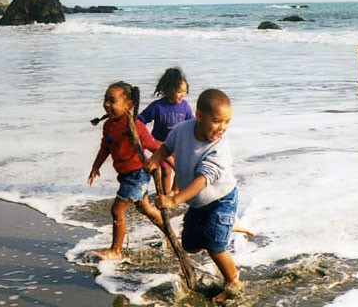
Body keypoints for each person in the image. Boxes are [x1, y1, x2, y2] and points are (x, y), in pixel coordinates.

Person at [144, 89, 244, 302]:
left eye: (227, 122)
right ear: (199, 116)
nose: (222, 128)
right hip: (198, 203)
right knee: (190, 245)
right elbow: (166, 147)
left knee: (214, 246)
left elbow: (202, 181)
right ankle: (226, 227)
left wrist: (174, 199)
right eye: (217, 121)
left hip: (221, 200)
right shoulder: (182, 130)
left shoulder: (219, 148)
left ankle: (234, 281)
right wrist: (155, 158)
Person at [88, 81, 164, 260]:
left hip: (137, 175)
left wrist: (172, 163)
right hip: (125, 176)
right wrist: (95, 167)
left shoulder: (135, 126)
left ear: (128, 105)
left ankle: (116, 250)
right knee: (146, 209)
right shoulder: (109, 125)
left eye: (112, 100)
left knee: (117, 210)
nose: (107, 104)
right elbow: (105, 148)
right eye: (105, 100)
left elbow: (155, 147)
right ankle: (169, 234)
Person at [139, 67, 194, 194]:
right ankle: (165, 194)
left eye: (185, 92)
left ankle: (175, 192)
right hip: (161, 145)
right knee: (166, 171)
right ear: (168, 89)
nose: (183, 95)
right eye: (179, 92)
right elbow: (140, 120)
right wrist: (148, 139)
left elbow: (192, 123)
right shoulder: (157, 106)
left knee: (180, 169)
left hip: (179, 145)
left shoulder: (185, 106)